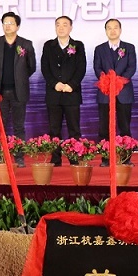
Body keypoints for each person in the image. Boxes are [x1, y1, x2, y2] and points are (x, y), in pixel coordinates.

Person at [0, 11, 36, 164]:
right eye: (5, 23)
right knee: (0, 126)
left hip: (18, 92)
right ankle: (1, 156)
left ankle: (19, 157)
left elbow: (31, 67)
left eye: (11, 23)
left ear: (17, 26)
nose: (7, 26)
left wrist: (20, 78)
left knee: (19, 126)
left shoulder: (26, 44)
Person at [40, 16, 87, 165]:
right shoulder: (49, 45)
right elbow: (45, 68)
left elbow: (81, 68)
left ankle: (74, 157)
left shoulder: (78, 45)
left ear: (71, 28)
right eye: (58, 25)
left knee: (74, 129)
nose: (61, 28)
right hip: (54, 93)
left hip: (72, 93)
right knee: (54, 129)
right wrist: (54, 84)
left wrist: (71, 85)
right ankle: (56, 158)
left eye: (65, 25)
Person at [92, 18, 137, 144]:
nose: (112, 31)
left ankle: (125, 152)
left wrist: (118, 82)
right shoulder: (99, 49)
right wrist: (108, 82)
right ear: (106, 31)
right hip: (105, 92)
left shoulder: (129, 47)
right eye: (109, 28)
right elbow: (97, 68)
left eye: (115, 27)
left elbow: (131, 68)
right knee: (104, 126)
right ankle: (105, 153)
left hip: (124, 92)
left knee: (125, 126)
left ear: (120, 30)